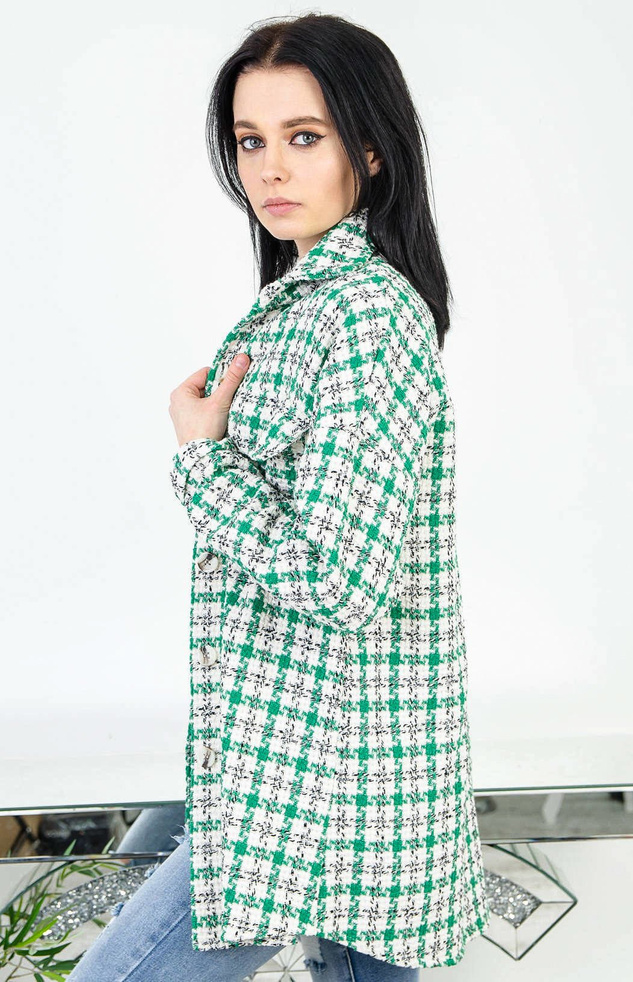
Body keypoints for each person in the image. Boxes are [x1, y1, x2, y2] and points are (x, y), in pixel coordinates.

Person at [69, 10, 490, 980]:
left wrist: (202, 460)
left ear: (370, 151)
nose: (268, 169)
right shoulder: (309, 305)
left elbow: (340, 581)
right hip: (295, 753)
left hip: (311, 781)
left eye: (303, 137)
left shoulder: (364, 317)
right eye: (250, 141)